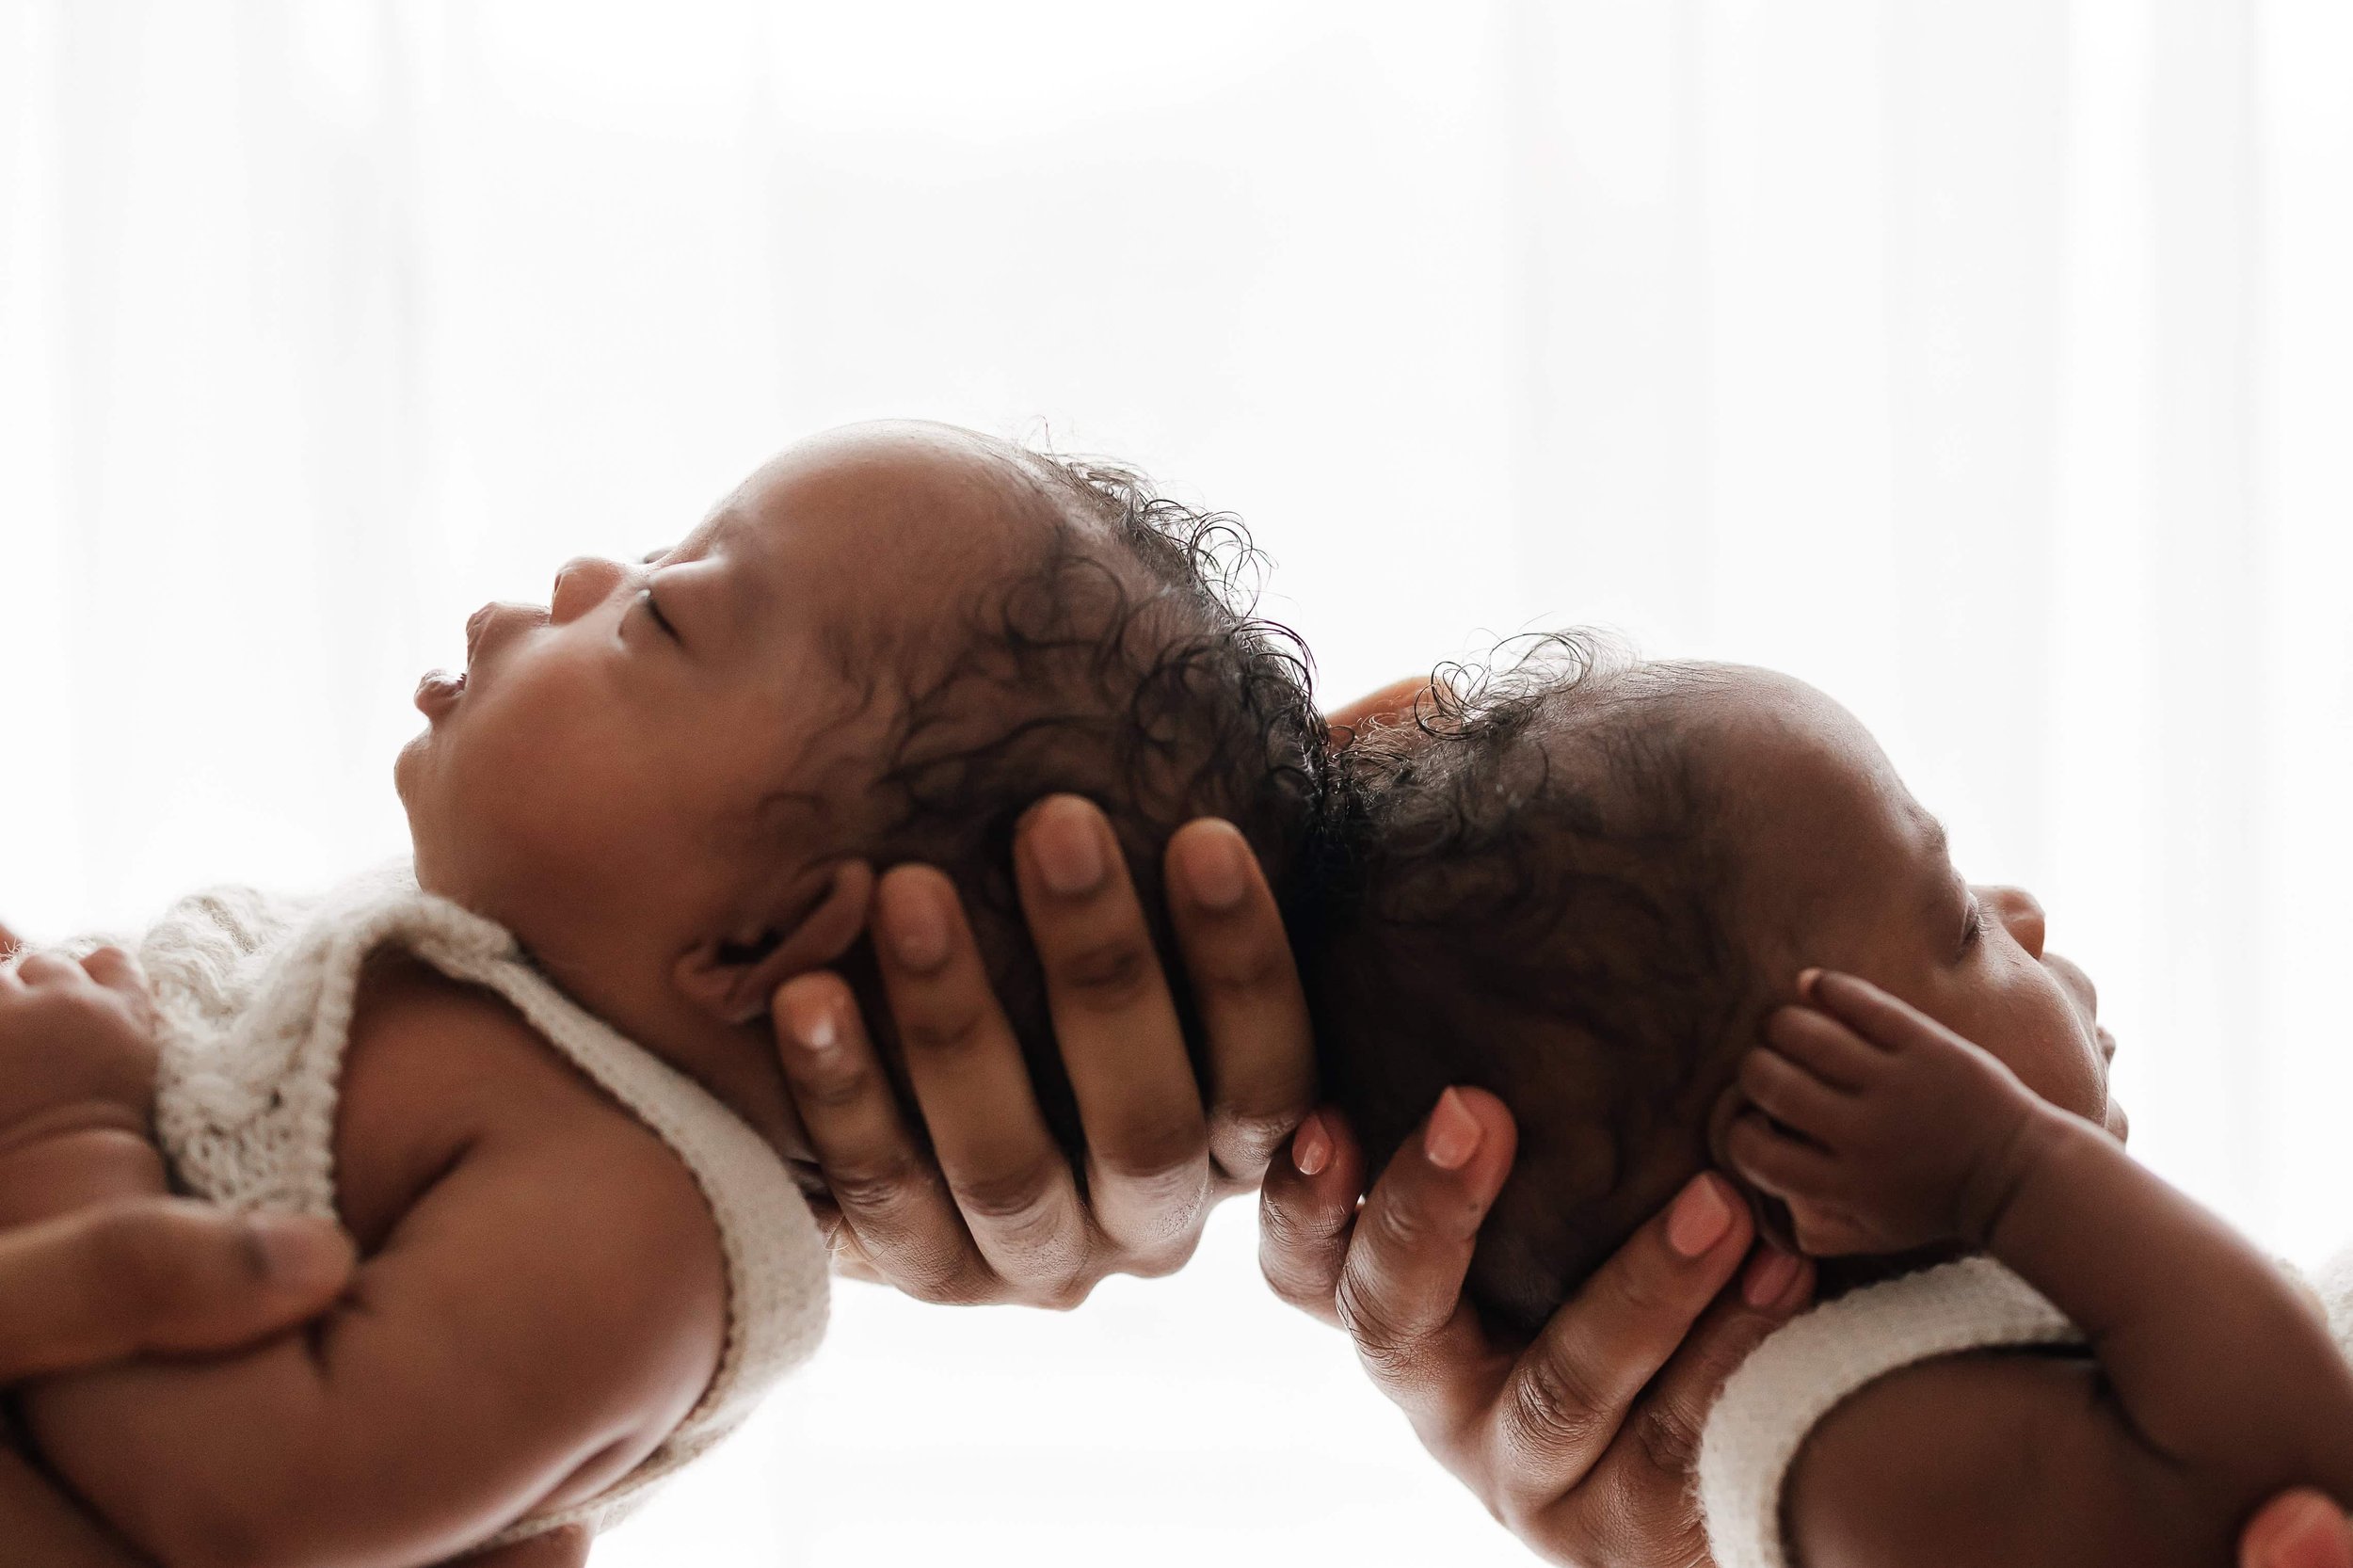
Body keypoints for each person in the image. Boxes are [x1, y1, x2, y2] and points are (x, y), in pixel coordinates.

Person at [0, 420, 1326, 1565]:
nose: (582, 573)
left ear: (761, 943)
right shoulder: (496, 998)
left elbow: (250, 1511)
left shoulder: (632, 1231)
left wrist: (63, 1138)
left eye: (663, 609)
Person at [1280, 640, 2353, 1564]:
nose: (2020, 912)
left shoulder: (1943, 1350)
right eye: (1957, 925)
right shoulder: (1870, 1451)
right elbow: (2296, 1453)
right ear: (1804, 1147)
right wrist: (2012, 1171)